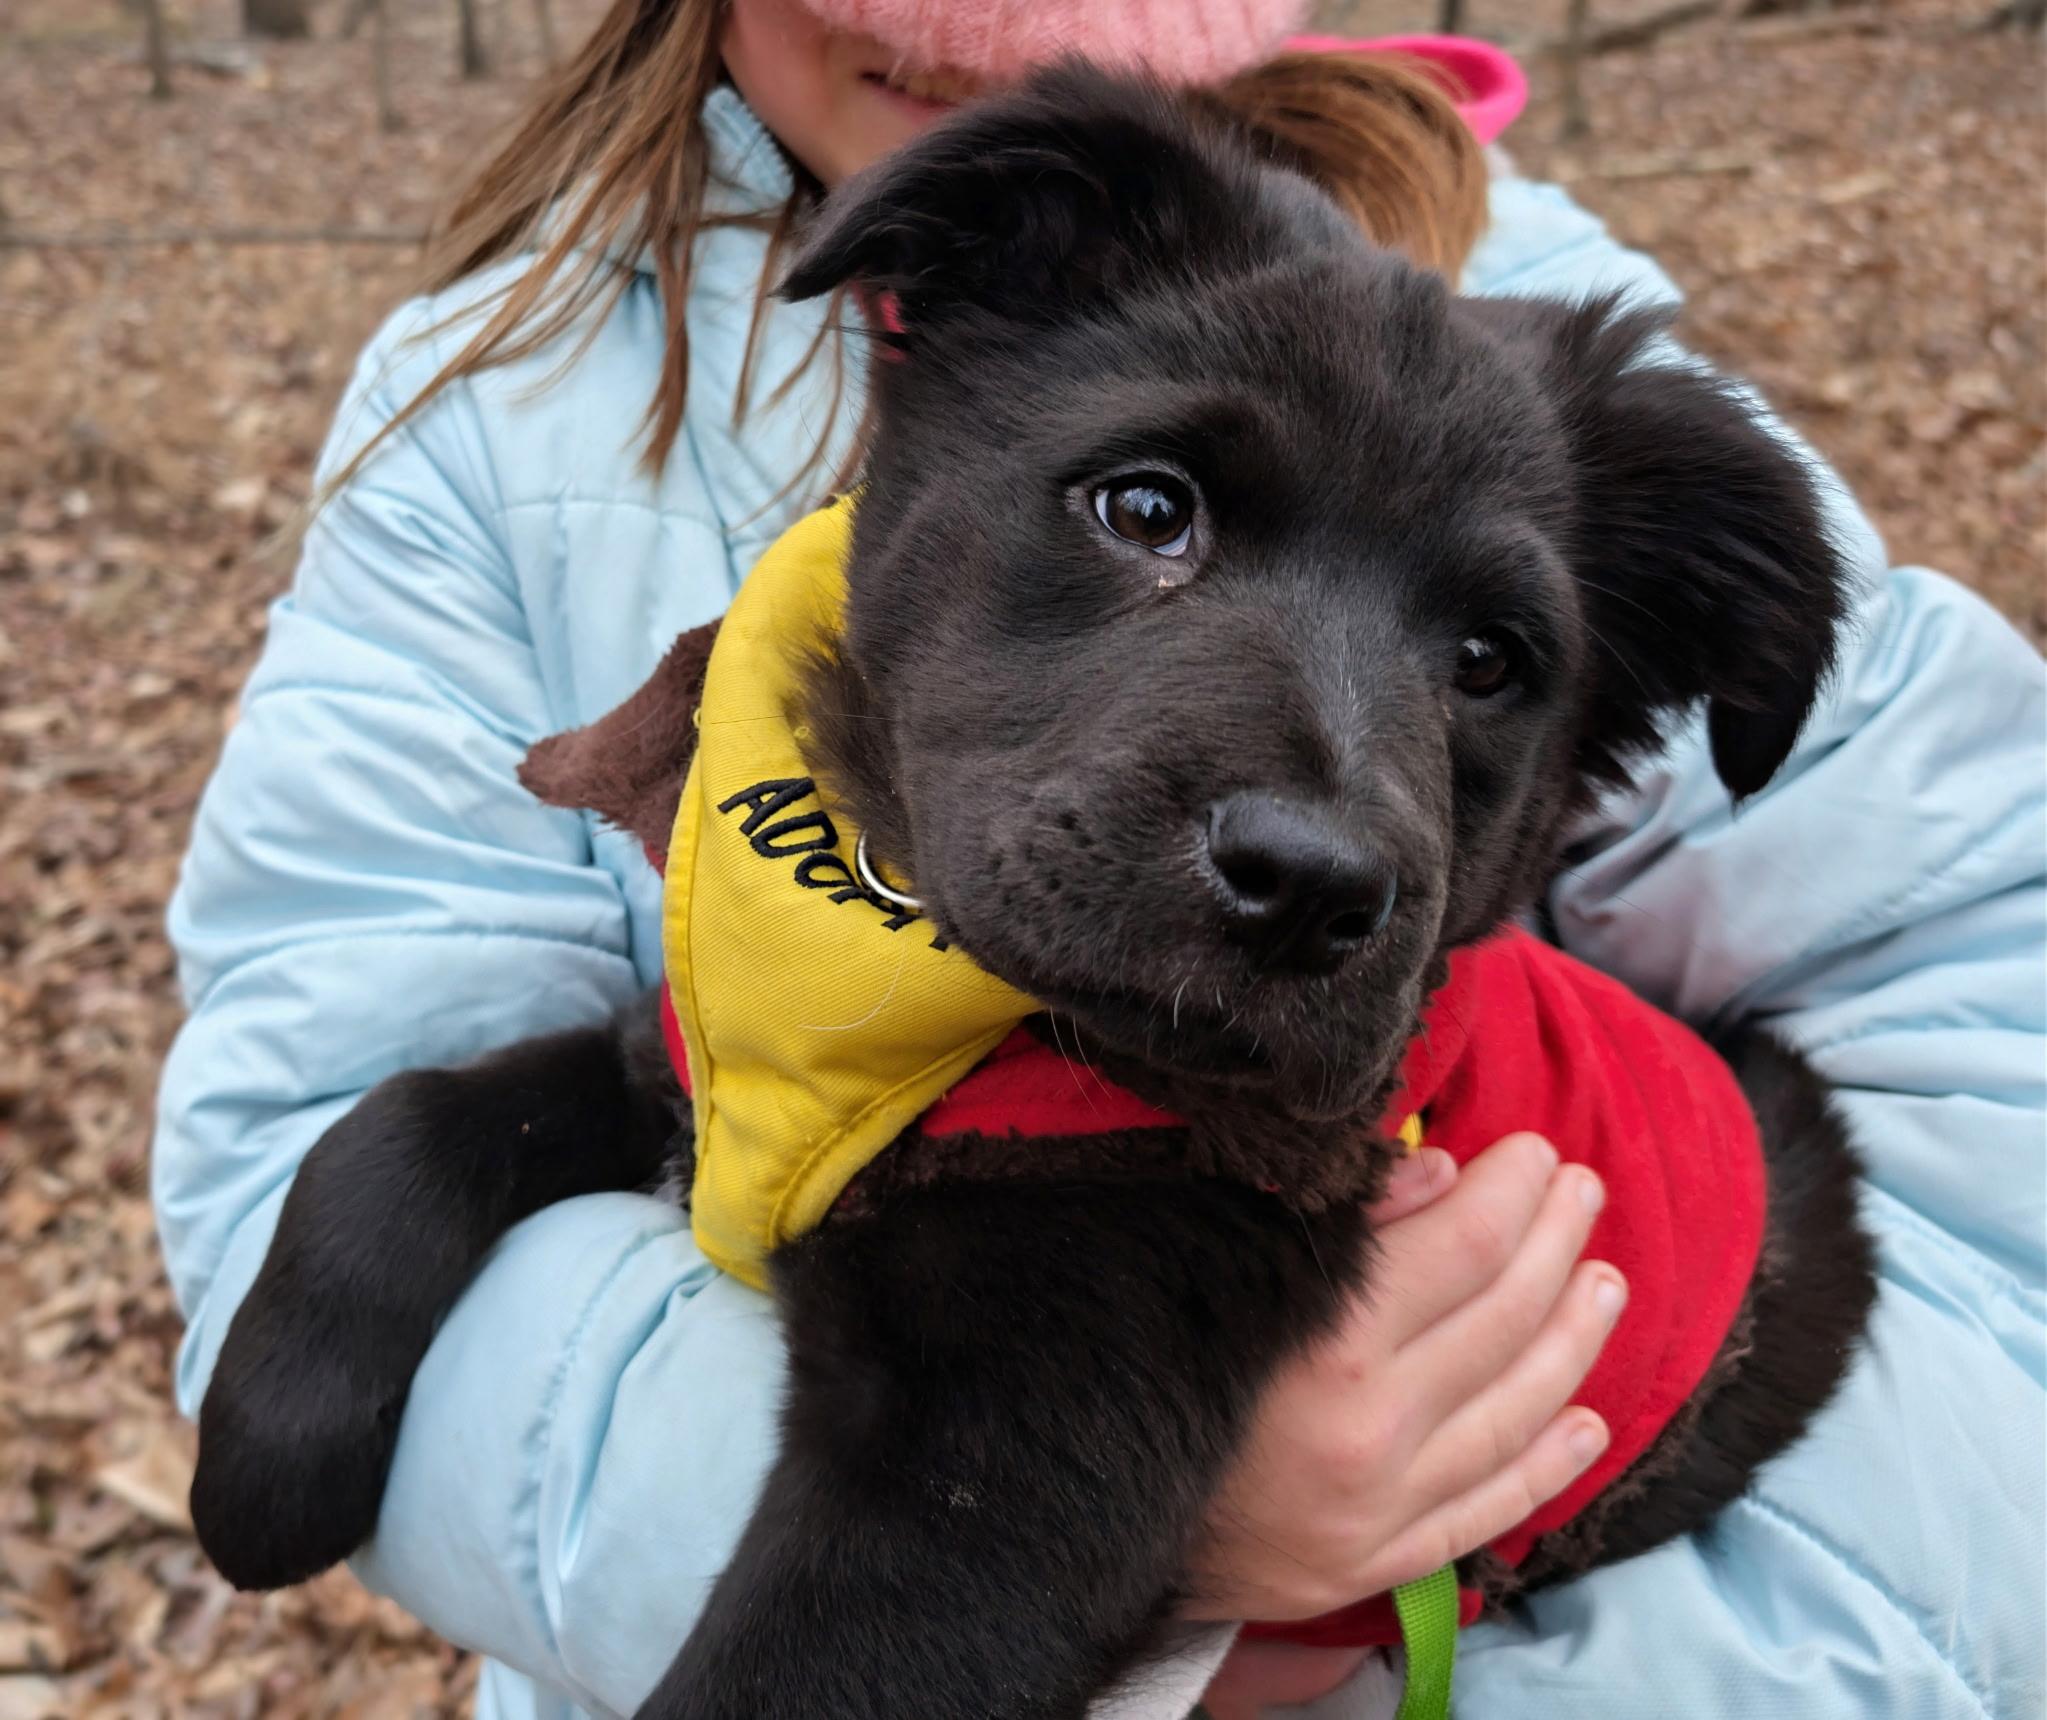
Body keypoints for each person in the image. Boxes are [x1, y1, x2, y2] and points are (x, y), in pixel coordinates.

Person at [151, 1, 2047, 1717]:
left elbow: (929, 1562)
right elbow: (665, 1071)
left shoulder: (1576, 413)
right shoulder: (511, 437)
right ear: (916, 356)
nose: (1321, 815)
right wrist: (419, 1173)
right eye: (1152, 508)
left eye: (1481, 664)